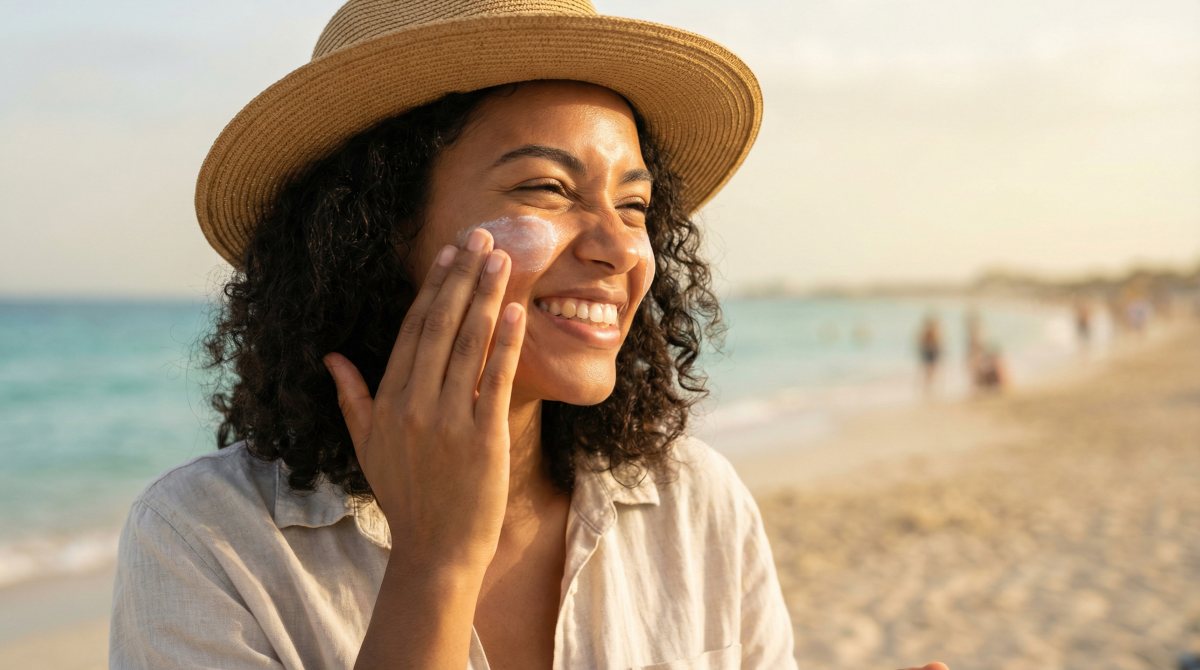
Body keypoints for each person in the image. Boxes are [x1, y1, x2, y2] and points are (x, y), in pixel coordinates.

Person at [108, 2, 949, 669]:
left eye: (634, 205)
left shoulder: (694, 502)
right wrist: (434, 564)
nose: (620, 248)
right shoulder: (203, 541)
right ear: (371, 230)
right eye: (547, 188)